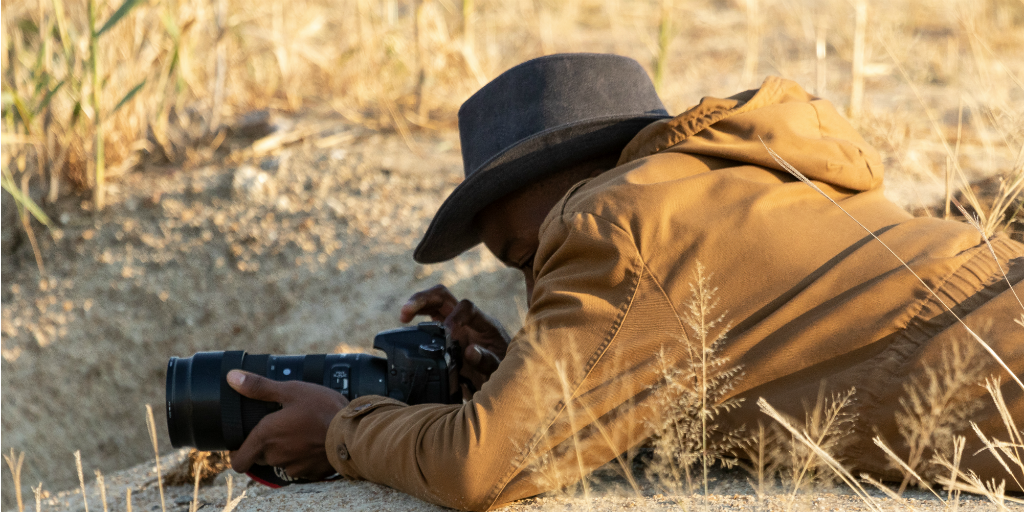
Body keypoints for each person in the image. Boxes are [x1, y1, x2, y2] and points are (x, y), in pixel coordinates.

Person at [223, 54, 1023, 510]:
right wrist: (536, 370)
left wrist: (342, 427)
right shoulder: (747, 177)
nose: (534, 277)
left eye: (523, 254)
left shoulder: (614, 219)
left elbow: (477, 466)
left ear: (576, 180)